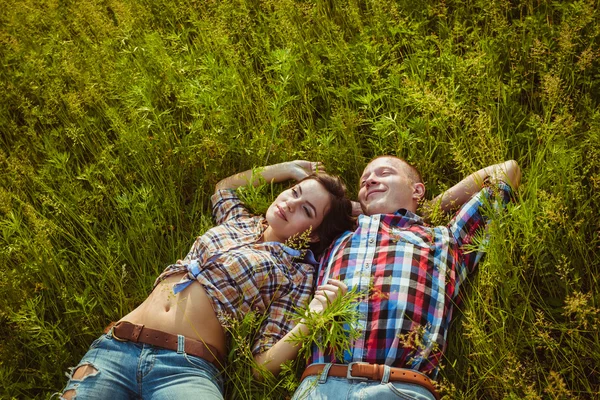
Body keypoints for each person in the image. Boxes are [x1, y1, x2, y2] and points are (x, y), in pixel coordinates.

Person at [57, 160, 354, 400]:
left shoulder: (298, 273)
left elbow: (262, 367)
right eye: (294, 192)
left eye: (306, 209)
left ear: (313, 234)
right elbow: (224, 188)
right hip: (117, 347)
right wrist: (288, 168)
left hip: (184, 369)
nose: (291, 203)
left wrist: (312, 317)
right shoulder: (239, 221)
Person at [292, 156, 521, 400]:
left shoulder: (445, 240)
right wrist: (359, 208)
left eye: (384, 173)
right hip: (320, 386)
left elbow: (507, 171)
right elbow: (293, 212)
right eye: (364, 181)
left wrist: (429, 206)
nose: (369, 180)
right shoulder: (336, 240)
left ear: (417, 189)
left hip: (400, 389)